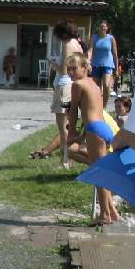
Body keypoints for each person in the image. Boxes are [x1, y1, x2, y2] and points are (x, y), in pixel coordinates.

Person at [66, 52, 119, 224]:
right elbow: (94, 110)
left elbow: (73, 111)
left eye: (74, 68)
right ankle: (112, 211)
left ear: (84, 67)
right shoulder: (94, 84)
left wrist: (72, 132)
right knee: (100, 169)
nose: (70, 73)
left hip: (95, 129)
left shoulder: (78, 84)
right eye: (68, 69)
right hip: (103, 128)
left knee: (99, 174)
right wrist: (82, 134)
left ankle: (104, 215)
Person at [49, 19, 83, 169]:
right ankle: (69, 159)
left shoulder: (67, 44)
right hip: (71, 86)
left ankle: (65, 161)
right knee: (70, 124)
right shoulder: (77, 44)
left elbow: (64, 69)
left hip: (63, 86)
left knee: (63, 127)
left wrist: (52, 64)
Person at [88, 20, 119, 109]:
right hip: (96, 64)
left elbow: (115, 54)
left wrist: (116, 69)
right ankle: (97, 104)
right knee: (96, 87)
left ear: (107, 28)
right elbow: (90, 50)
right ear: (98, 27)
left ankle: (104, 105)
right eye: (100, 26)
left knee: (106, 85)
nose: (102, 28)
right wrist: (88, 61)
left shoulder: (110, 38)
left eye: (104, 26)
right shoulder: (94, 37)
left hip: (108, 64)